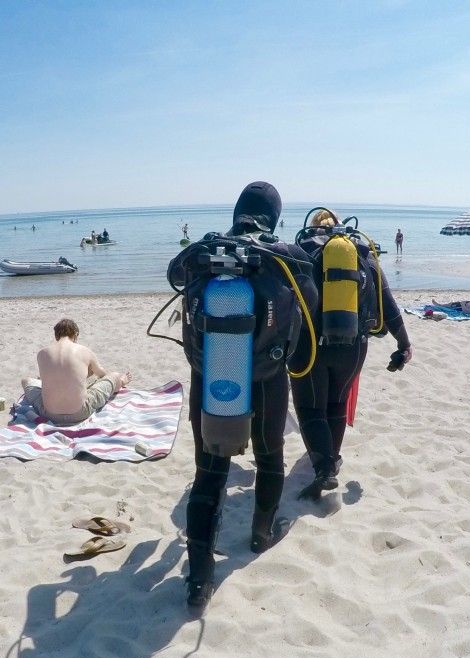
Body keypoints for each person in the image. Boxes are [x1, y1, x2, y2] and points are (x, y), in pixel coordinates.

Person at [167, 181, 317, 612]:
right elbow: (309, 307)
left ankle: (199, 579)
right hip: (268, 379)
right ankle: (261, 534)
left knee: (208, 473)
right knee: (269, 459)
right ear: (274, 216)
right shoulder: (286, 257)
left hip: (211, 377)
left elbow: (175, 275)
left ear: (237, 212)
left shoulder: (207, 251)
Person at [292, 209, 412, 501]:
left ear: (312, 228)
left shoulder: (302, 254)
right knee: (337, 402)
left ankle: (324, 470)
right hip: (354, 347)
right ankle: (331, 459)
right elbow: (388, 305)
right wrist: (404, 344)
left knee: (310, 409)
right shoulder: (362, 255)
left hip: (311, 345)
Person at [21, 318, 131, 426]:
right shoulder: (84, 351)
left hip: (49, 413)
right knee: (114, 376)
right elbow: (102, 375)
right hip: (80, 412)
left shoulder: (42, 353)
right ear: (76, 334)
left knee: (26, 381)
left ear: (56, 336)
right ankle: (122, 381)